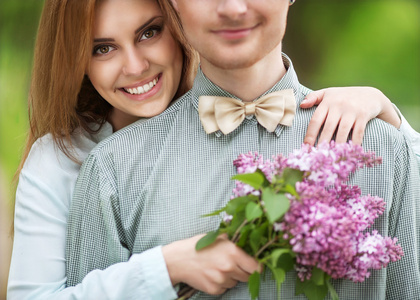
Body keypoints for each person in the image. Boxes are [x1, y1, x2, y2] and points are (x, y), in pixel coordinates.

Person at [8, 0, 420, 299]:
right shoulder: (102, 167)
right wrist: (167, 268)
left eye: (148, 32)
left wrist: (389, 117)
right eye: (103, 47)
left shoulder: (384, 147)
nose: (233, 8)